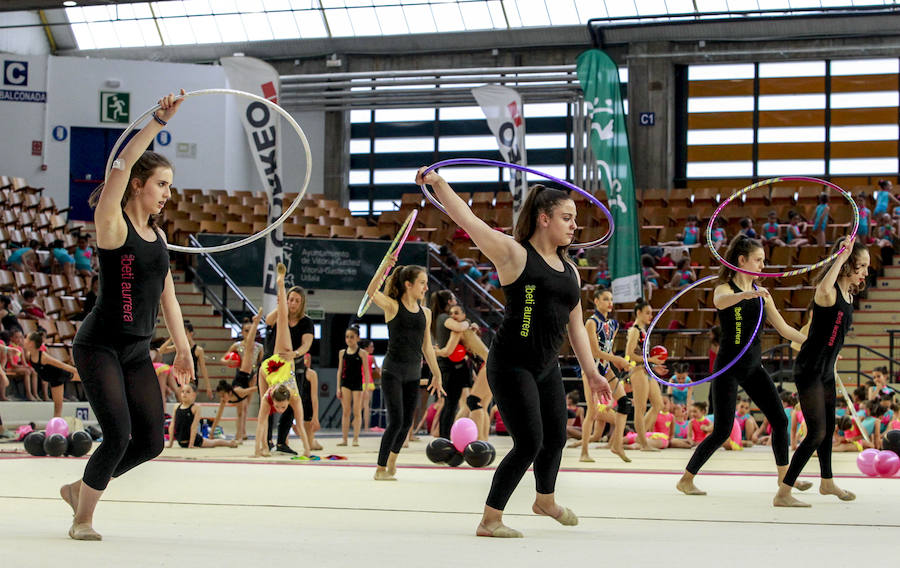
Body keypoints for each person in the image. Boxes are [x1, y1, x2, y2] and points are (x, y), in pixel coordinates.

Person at [417, 168, 612, 539]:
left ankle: (545, 500)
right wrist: (439, 184)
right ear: (544, 219)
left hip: (545, 365)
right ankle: (489, 520)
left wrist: (592, 371)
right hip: (510, 363)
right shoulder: (513, 255)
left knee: (556, 437)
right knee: (529, 442)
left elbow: (575, 325)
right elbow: (469, 220)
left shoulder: (571, 270)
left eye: (575, 219)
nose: (574, 226)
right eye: (567, 218)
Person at [59, 90, 195, 541]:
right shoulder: (112, 224)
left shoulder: (157, 238)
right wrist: (158, 120)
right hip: (99, 345)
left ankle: (80, 488)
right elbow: (121, 164)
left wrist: (184, 351)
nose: (167, 194)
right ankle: (83, 518)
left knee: (151, 442)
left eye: (170, 186)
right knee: (117, 435)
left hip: (137, 349)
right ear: (138, 184)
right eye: (161, 184)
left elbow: (168, 299)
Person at [676, 236, 808, 497]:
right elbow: (720, 302)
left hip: (752, 366)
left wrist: (814, 346)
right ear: (742, 260)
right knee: (722, 430)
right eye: (758, 260)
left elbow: (784, 329)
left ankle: (785, 480)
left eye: (763, 260)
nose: (762, 265)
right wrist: (748, 293)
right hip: (727, 366)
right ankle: (686, 479)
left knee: (780, 420)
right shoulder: (725, 288)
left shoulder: (763, 295)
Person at [775, 236, 869, 507]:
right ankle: (783, 492)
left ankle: (827, 482)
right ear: (847, 264)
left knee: (827, 430)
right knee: (816, 432)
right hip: (810, 370)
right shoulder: (827, 293)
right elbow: (825, 284)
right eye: (860, 265)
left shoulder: (849, 294)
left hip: (826, 369)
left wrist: (834, 356)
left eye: (866, 267)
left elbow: (834, 334)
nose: (864, 272)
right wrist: (841, 255)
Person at [365, 256, 443, 479]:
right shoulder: (392, 306)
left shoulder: (425, 313)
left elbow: (427, 347)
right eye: (422, 283)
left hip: (413, 373)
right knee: (396, 420)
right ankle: (380, 469)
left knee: (407, 422)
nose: (426, 288)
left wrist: (437, 374)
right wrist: (383, 268)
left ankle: (391, 462)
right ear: (408, 284)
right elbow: (371, 291)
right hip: (393, 371)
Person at [253, 264, 312, 458]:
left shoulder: (306, 322)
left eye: (297, 301)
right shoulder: (293, 397)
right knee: (283, 324)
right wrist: (282, 306)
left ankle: (266, 446)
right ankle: (264, 445)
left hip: (274, 366)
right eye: (291, 299)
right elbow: (270, 321)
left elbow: (306, 345)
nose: (293, 303)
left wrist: (295, 353)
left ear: (302, 303)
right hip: (276, 361)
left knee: (264, 412)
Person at [581, 287, 630, 463]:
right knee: (592, 411)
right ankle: (584, 452)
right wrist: (617, 359)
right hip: (591, 369)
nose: (610, 303)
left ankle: (617, 444)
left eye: (611, 299)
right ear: (596, 301)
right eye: (605, 299)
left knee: (625, 403)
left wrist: (617, 362)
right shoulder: (591, 323)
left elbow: (608, 349)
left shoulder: (614, 324)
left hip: (606, 368)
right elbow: (595, 352)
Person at [625, 300, 666, 452]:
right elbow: (629, 355)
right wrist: (651, 361)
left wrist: (655, 365)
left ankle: (640, 437)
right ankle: (643, 443)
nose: (651, 316)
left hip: (646, 370)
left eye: (651, 313)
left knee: (658, 404)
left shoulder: (643, 330)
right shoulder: (635, 330)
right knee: (640, 408)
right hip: (637, 371)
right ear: (638, 313)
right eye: (647, 313)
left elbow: (643, 354)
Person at [217, 311, 264, 441]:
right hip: (241, 374)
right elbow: (222, 359)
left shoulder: (259, 347)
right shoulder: (237, 346)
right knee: (241, 407)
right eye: (246, 331)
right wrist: (228, 362)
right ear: (242, 332)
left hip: (252, 375)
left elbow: (260, 363)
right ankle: (240, 432)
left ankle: (242, 432)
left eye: (251, 330)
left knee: (246, 406)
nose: (248, 333)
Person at [24, 331, 79, 418]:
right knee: (57, 409)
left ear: (31, 343)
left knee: (86, 378)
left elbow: (62, 365)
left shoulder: (43, 357)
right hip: (53, 380)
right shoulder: (28, 355)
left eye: (26, 339)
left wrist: (77, 371)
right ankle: (55, 427)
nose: (24, 340)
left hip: (62, 374)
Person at [167, 382, 238, 449]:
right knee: (212, 442)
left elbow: (194, 426)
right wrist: (170, 443)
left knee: (213, 443)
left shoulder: (195, 408)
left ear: (194, 394)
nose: (184, 394)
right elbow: (172, 425)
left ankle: (229, 443)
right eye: (183, 391)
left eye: (188, 392)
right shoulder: (176, 407)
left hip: (195, 440)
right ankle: (229, 443)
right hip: (181, 441)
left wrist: (191, 444)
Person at [336, 325, 370, 447]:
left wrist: (366, 389)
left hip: (357, 384)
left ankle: (355, 438)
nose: (349, 339)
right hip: (345, 383)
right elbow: (340, 371)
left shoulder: (362, 353)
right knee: (345, 411)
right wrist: (338, 387)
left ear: (357, 338)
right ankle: (344, 439)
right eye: (347, 337)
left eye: (351, 337)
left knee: (356, 411)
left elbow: (366, 371)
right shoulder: (342, 353)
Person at [160, 321, 212, 399]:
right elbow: (161, 350)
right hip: (180, 378)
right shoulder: (179, 346)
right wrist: (171, 339)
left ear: (191, 333)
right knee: (181, 403)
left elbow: (203, 369)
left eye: (185, 333)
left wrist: (208, 387)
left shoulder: (198, 350)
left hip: (191, 380)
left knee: (187, 401)